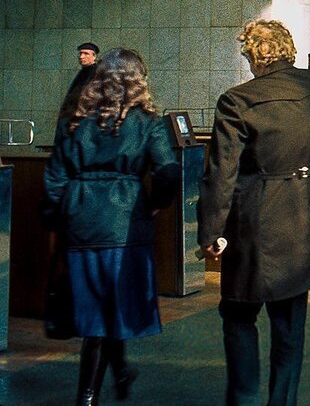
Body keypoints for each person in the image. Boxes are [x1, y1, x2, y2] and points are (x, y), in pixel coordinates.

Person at [199, 20, 310, 406]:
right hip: (307, 210)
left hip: (258, 216)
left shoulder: (237, 100)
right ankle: (283, 401)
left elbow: (221, 173)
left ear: (254, 55)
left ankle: (242, 398)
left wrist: (210, 232)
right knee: (291, 317)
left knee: (238, 311)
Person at [42, 48, 181, 405]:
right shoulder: (148, 122)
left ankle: (119, 371)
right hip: (127, 223)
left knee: (97, 307)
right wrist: (154, 204)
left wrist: (57, 221)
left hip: (82, 221)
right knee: (111, 308)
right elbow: (168, 170)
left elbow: (55, 179)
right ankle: (87, 396)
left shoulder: (72, 122)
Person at [59, 41, 100, 122]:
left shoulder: (96, 72)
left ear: (94, 56)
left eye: (86, 54)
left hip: (84, 116)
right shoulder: (84, 71)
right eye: (80, 53)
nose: (81, 57)